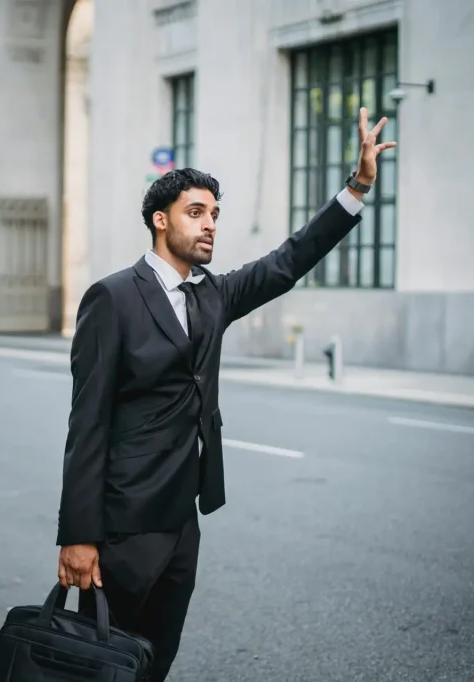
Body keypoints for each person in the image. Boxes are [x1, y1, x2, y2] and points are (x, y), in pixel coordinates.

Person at [56, 108, 396, 681]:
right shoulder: (111, 298)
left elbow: (288, 262)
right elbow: (87, 422)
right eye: (196, 213)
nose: (210, 224)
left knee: (155, 659)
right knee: (103, 666)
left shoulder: (213, 295)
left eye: (214, 214)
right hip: (122, 523)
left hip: (183, 518)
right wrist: (78, 536)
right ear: (160, 221)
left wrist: (356, 187)